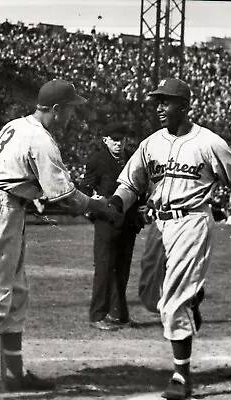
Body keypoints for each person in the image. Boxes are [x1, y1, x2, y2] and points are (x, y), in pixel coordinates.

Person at [109, 78, 231, 399]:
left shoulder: (209, 142)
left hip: (191, 221)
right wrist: (115, 205)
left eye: (167, 101)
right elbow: (131, 184)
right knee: (151, 297)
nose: (159, 107)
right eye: (157, 101)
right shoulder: (151, 144)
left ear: (185, 106)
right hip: (159, 225)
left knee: (172, 304)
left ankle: (181, 377)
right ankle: (193, 298)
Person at [0, 79, 122, 400]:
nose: (71, 118)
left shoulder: (17, 125)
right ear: (55, 109)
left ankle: (12, 375)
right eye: (69, 111)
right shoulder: (41, 140)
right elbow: (64, 195)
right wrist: (98, 206)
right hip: (0, 210)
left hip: (6, 206)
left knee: (16, 294)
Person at [80, 122, 144, 331]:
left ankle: (119, 314)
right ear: (105, 140)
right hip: (106, 219)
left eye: (121, 139)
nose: (118, 143)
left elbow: (140, 183)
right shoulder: (97, 160)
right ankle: (97, 315)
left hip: (129, 219)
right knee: (105, 268)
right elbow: (85, 186)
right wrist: (93, 201)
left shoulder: (133, 158)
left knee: (122, 270)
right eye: (114, 139)